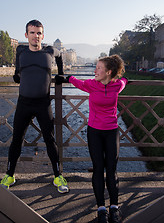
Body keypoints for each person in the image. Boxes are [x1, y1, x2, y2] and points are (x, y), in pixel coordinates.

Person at [0, 19, 69, 194]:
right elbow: (17, 63)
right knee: (17, 139)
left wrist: (61, 74)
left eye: (39, 33)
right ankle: (9, 175)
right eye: (32, 33)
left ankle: (57, 176)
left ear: (42, 36)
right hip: (24, 102)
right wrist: (16, 73)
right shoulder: (21, 50)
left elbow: (60, 56)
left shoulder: (49, 51)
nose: (35, 36)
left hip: (43, 103)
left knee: (49, 140)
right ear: (26, 35)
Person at [56, 55, 127, 222]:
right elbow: (75, 81)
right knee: (98, 168)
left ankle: (114, 208)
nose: (95, 71)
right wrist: (65, 77)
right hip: (94, 131)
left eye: (99, 68)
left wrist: (126, 78)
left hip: (111, 132)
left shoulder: (117, 85)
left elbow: (124, 80)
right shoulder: (91, 85)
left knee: (111, 169)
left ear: (109, 72)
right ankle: (101, 208)